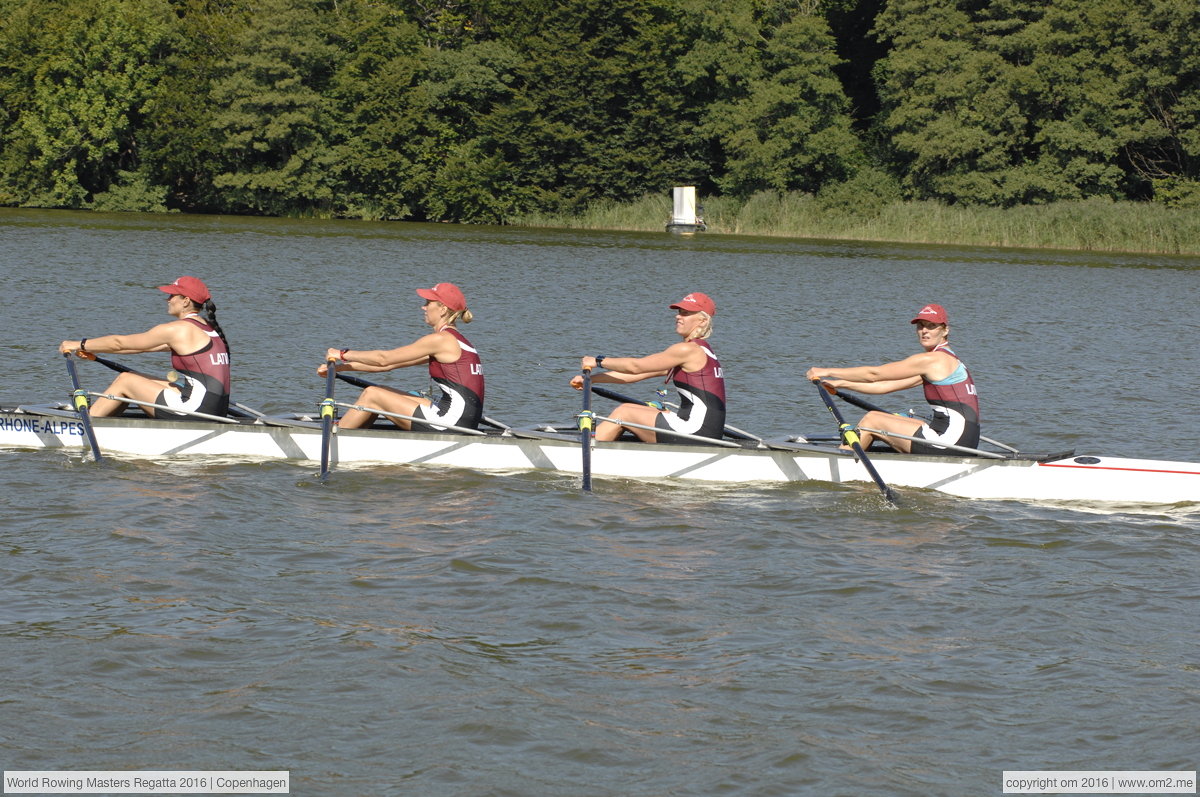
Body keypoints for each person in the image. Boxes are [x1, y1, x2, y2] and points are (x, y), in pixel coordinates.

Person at [805, 303, 980, 454]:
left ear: (945, 330)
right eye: (920, 326)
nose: (924, 331)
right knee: (903, 420)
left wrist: (826, 371)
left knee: (873, 419)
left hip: (949, 441)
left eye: (931, 326)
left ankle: (841, 463)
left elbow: (874, 375)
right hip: (966, 441)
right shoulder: (948, 361)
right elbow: (885, 386)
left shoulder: (934, 360)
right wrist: (840, 384)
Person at [58, 276, 231, 418]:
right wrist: (94, 350)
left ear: (185, 301)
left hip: (196, 411)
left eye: (172, 295)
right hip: (216, 409)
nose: (167, 299)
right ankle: (105, 418)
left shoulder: (178, 329)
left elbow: (120, 343)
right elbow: (142, 348)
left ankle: (87, 422)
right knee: (135, 377)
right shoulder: (207, 328)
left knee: (125, 380)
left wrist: (79, 344)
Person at [321, 282, 484, 432]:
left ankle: (335, 435)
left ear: (442, 309)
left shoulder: (441, 340)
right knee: (381, 391)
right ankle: (352, 430)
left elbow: (383, 359)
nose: (423, 307)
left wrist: (342, 354)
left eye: (428, 303)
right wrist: (338, 369)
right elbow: (386, 366)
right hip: (463, 419)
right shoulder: (456, 340)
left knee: (372, 394)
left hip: (452, 422)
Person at [572, 292, 725, 443]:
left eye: (685, 313)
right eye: (679, 312)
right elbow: (634, 375)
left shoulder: (687, 350)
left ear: (703, 320)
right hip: (706, 429)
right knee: (632, 408)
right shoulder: (703, 350)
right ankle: (598, 441)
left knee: (624, 412)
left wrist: (598, 361)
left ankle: (585, 449)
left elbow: (635, 367)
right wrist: (591, 380)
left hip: (696, 430)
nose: (678, 316)